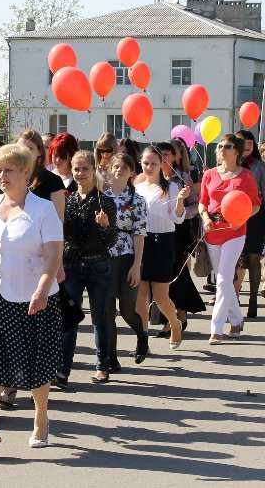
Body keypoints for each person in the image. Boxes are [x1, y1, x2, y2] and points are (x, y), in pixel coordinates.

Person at [0, 144, 63, 460]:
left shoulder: (43, 210)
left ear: (25, 173)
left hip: (32, 298)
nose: (1, 176)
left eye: (8, 170)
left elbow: (52, 255)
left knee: (35, 365)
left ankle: (41, 416)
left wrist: (43, 288)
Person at [59, 151, 117, 385]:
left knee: (100, 316)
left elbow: (112, 240)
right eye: (76, 169)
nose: (80, 173)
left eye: (84, 169)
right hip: (72, 263)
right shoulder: (67, 200)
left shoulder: (105, 202)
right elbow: (62, 235)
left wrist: (105, 226)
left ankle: (103, 366)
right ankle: (62, 370)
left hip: (97, 263)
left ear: (94, 170)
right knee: (70, 317)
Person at [199, 134, 261, 343]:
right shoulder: (209, 174)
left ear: (237, 151)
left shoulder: (246, 176)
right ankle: (236, 320)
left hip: (235, 231)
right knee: (223, 281)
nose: (223, 149)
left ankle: (216, 328)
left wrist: (241, 218)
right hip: (213, 231)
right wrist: (205, 217)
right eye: (221, 146)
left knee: (224, 279)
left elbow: (255, 205)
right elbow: (202, 203)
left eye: (229, 146)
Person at [134, 146, 190, 350]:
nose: (149, 167)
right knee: (140, 294)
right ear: (140, 162)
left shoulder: (171, 188)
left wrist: (181, 202)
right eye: (145, 163)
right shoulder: (136, 186)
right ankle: (143, 340)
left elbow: (177, 218)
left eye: (153, 163)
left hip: (163, 242)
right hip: (140, 242)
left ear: (161, 165)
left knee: (160, 295)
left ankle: (175, 324)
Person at [104, 153, 149, 367]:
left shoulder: (137, 200)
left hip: (127, 257)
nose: (119, 170)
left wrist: (137, 266)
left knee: (127, 309)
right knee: (107, 310)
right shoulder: (102, 197)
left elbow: (139, 234)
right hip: (105, 258)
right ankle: (111, 358)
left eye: (123, 167)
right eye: (115, 167)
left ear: (132, 172)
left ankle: (142, 335)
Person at [159, 141, 204, 336]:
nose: (163, 159)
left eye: (168, 154)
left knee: (177, 273)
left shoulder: (183, 177)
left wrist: (181, 212)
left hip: (180, 231)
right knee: (162, 276)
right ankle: (172, 316)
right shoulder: (151, 178)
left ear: (176, 156)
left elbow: (197, 205)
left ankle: (180, 313)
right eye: (159, 155)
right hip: (158, 231)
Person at [236, 130, 265, 318]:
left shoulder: (260, 167)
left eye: (250, 143)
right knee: (234, 261)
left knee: (253, 258)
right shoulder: (229, 165)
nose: (247, 146)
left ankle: (253, 299)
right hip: (233, 218)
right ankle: (232, 298)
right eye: (242, 143)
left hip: (255, 217)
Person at [17, 129, 66, 219]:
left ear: (39, 152)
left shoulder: (53, 181)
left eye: (30, 148)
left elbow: (59, 219)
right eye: (20, 148)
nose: (24, 152)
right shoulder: (11, 177)